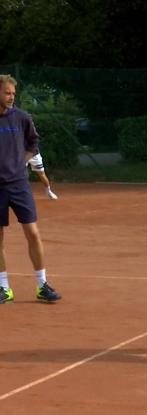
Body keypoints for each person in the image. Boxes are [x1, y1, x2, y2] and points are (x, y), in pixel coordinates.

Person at [0, 74, 61, 304]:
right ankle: (4, 288)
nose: (11, 97)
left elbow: (33, 143)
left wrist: (20, 162)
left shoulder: (22, 117)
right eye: (7, 93)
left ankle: (42, 285)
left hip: (18, 184)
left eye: (13, 93)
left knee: (32, 233)